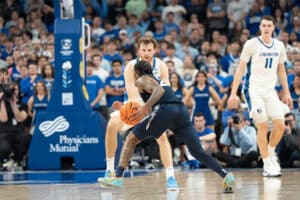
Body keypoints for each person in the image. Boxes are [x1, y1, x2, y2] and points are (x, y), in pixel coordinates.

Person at [100, 60, 235, 192]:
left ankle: (117, 176)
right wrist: (124, 107)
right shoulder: (158, 79)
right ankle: (225, 175)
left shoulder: (142, 80)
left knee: (131, 139)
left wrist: (146, 107)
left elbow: (158, 91)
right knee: (197, 152)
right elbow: (149, 99)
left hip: (165, 111)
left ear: (136, 72)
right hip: (180, 112)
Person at [99, 37, 179, 190]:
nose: (146, 53)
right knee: (111, 125)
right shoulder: (130, 66)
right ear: (139, 50)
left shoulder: (161, 66)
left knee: (162, 137)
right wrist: (140, 110)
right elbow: (132, 92)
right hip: (133, 106)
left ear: (155, 50)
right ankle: (109, 170)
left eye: (149, 50)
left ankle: (171, 178)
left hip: (152, 108)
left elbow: (166, 91)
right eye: (144, 50)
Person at [228, 15, 293, 177]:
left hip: (270, 91)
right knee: (263, 126)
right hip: (253, 90)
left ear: (273, 28)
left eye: (269, 26)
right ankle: (266, 164)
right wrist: (233, 94)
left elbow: (281, 71)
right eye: (263, 25)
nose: (266, 28)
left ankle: (270, 154)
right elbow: (241, 69)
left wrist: (286, 92)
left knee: (280, 126)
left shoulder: (279, 45)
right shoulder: (251, 44)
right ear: (260, 27)